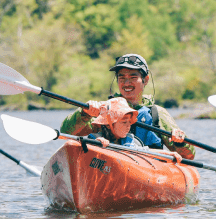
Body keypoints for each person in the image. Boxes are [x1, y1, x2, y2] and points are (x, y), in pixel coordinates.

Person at [60, 53, 195, 159]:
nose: (127, 83)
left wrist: (179, 142)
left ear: (145, 80)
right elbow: (66, 132)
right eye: (122, 78)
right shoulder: (105, 109)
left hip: (146, 170)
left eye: (133, 77)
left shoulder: (157, 113)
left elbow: (189, 155)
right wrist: (84, 113)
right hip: (108, 166)